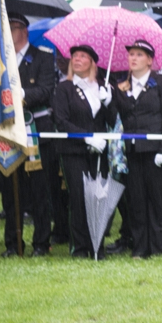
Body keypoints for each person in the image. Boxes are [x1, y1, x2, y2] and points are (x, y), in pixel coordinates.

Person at [111, 40, 162, 258]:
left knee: (158, 200)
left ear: (149, 60)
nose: (133, 58)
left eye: (139, 54)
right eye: (131, 54)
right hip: (132, 151)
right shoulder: (122, 86)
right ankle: (140, 247)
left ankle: (160, 248)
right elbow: (116, 117)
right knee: (136, 201)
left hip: (156, 151)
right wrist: (108, 100)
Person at [51, 44, 114, 257]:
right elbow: (61, 120)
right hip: (74, 151)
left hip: (99, 151)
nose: (77, 59)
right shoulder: (64, 88)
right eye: (75, 56)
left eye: (83, 56)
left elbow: (112, 120)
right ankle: (79, 247)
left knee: (98, 197)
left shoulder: (102, 86)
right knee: (79, 197)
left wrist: (109, 103)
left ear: (92, 63)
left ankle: (97, 245)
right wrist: (87, 137)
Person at [3, 14, 57, 256]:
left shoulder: (42, 56)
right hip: (10, 130)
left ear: (23, 31)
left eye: (12, 28)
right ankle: (13, 243)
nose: (8, 33)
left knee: (40, 190)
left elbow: (46, 90)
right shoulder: (2, 59)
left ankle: (41, 242)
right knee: (11, 191)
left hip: (36, 128)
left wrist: (20, 94)